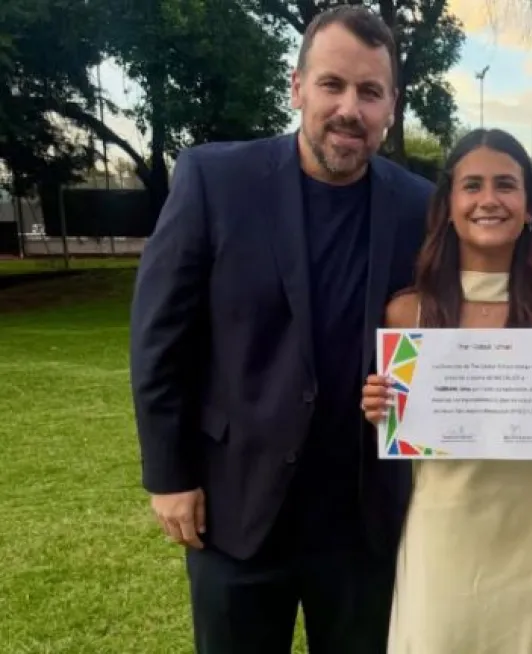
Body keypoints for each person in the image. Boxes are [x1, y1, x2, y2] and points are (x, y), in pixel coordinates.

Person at [128, 7, 432, 653]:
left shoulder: (419, 206)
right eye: (332, 85)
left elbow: (455, 320)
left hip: (362, 523)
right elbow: (160, 337)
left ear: (390, 106)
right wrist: (169, 475)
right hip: (235, 507)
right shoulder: (215, 180)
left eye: (369, 91)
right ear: (297, 88)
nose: (349, 108)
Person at [360, 128, 532, 654]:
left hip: (531, 546)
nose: (489, 199)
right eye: (472, 186)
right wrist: (380, 410)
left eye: (505, 185)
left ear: (529, 209)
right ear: (448, 207)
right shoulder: (407, 315)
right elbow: (397, 452)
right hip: (439, 545)